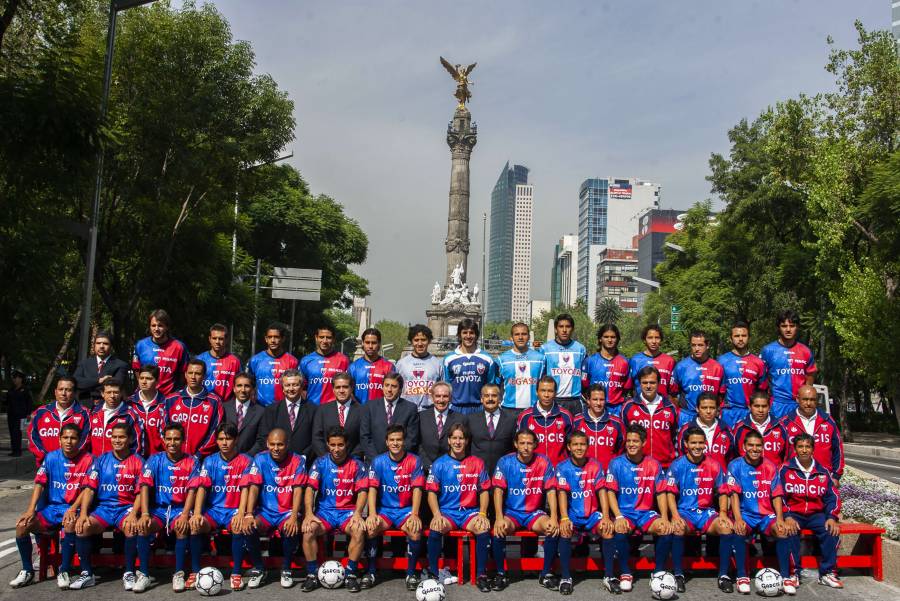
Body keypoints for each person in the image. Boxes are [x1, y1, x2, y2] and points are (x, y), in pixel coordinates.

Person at [9, 423, 92, 589]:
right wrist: (30, 510)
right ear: (59, 440)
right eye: (65, 438)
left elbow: (88, 489)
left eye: (73, 438)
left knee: (69, 523)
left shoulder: (89, 460)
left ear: (80, 440)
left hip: (73, 509)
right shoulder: (51, 458)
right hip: (52, 509)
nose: (69, 441)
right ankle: (27, 570)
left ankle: (65, 570)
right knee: (22, 526)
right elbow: (39, 483)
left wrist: (73, 508)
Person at [72, 423, 146, 591]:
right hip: (104, 508)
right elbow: (89, 489)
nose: (117, 440)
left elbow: (142, 492)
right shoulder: (101, 460)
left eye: (121, 437)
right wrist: (83, 513)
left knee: (131, 527)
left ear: (130, 439)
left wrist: (134, 513)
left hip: (125, 508)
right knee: (82, 527)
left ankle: (129, 572)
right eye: (114, 437)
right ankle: (87, 573)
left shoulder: (139, 461)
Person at [604, 424, 673, 594]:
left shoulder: (654, 464)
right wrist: (618, 516)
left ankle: (658, 572)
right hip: (625, 513)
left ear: (643, 443)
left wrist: (664, 516)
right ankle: (626, 572)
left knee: (665, 529)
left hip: (645, 513)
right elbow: (610, 492)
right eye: (628, 441)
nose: (631, 444)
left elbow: (660, 492)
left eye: (635, 441)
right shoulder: (616, 463)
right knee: (619, 530)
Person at [665, 427, 734, 594]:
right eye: (693, 443)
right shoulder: (677, 465)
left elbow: (724, 491)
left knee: (726, 527)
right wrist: (674, 516)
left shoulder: (713, 464)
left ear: (705, 444)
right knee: (678, 528)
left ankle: (724, 575)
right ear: (686, 444)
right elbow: (669, 493)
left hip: (706, 513)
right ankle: (679, 574)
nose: (697, 446)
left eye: (700, 443)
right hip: (685, 513)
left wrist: (723, 513)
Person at [189, 423, 257, 591]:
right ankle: (195, 571)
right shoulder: (209, 461)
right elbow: (202, 488)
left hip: (233, 510)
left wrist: (241, 513)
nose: (224, 443)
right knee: (195, 525)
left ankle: (236, 573)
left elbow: (246, 490)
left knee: (238, 526)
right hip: (214, 511)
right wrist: (197, 513)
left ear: (236, 439)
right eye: (220, 439)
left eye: (228, 438)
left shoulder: (246, 461)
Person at [424, 423, 492, 592]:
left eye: (461, 438)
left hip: (470, 513)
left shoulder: (477, 463)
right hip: (448, 513)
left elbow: (484, 491)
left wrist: (483, 513)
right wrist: (436, 515)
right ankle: (433, 574)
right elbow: (431, 492)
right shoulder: (439, 464)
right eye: (454, 438)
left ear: (467, 441)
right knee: (435, 528)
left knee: (483, 529)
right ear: (448, 440)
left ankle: (481, 574)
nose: (457, 441)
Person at [492, 429, 560, 592]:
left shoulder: (544, 461)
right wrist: (499, 518)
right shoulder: (505, 461)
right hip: (512, 513)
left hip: (533, 513)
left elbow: (551, 490)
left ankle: (545, 574)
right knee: (498, 530)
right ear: (516, 444)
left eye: (529, 443)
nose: (526, 447)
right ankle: (501, 573)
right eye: (522, 443)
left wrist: (554, 517)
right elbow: (498, 491)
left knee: (552, 529)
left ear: (535, 444)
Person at [301, 427, 368, 592]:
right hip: (325, 513)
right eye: (332, 445)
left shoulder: (357, 465)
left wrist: (358, 514)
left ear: (347, 445)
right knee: (308, 530)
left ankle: (351, 575)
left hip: (348, 513)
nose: (336, 449)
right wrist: (309, 514)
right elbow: (310, 489)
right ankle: (312, 574)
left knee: (359, 530)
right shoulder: (320, 463)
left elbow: (362, 492)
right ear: (327, 445)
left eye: (340, 445)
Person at [726, 430, 792, 595]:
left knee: (782, 531)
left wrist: (779, 519)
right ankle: (742, 576)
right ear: (743, 447)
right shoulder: (735, 465)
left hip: (765, 515)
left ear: (763, 447)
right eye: (751, 445)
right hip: (745, 514)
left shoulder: (770, 466)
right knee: (739, 531)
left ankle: (785, 576)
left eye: (758, 446)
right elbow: (734, 495)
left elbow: (776, 495)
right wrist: (738, 519)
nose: (754, 449)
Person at [137, 423, 200, 592]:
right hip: (158, 509)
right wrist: (144, 513)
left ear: (183, 440)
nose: (172, 442)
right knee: (143, 526)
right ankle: (143, 574)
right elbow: (144, 486)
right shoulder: (154, 459)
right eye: (169, 439)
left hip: (180, 509)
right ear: (164, 440)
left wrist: (185, 515)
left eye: (176, 439)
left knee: (181, 527)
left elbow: (193, 490)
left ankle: (178, 573)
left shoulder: (192, 461)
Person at [241, 428, 306, 589]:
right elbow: (254, 487)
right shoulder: (260, 459)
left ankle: (286, 569)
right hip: (266, 512)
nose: (276, 448)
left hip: (287, 512)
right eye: (272, 444)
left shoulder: (298, 460)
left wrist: (293, 516)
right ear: (267, 444)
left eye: (280, 444)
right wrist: (249, 514)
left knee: (291, 528)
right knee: (249, 526)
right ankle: (259, 568)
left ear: (287, 444)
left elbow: (298, 490)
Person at [780, 433, 844, 589]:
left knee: (831, 531)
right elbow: (778, 495)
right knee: (790, 531)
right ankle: (793, 573)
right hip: (793, 513)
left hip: (817, 514)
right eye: (800, 447)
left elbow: (832, 497)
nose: (804, 450)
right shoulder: (785, 469)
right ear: (794, 449)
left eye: (807, 446)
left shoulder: (822, 471)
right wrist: (786, 516)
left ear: (813, 449)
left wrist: (831, 517)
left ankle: (828, 573)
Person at [366, 425, 426, 590]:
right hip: (385, 510)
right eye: (392, 440)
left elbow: (417, 489)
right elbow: (372, 489)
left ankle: (411, 573)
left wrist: (414, 514)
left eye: (399, 439)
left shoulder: (414, 460)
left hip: (405, 511)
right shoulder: (378, 461)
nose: (395, 443)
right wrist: (371, 514)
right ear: (386, 442)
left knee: (415, 529)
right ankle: (371, 571)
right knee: (371, 528)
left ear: (404, 441)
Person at [555, 430, 611, 595]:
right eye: (575, 444)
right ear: (569, 447)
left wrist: (606, 516)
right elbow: (562, 494)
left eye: (582, 444)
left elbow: (602, 491)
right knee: (564, 530)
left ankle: (609, 576)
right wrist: (564, 517)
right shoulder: (562, 467)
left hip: (592, 515)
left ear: (587, 446)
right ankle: (566, 577)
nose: (579, 448)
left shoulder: (595, 464)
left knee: (607, 529)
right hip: (572, 515)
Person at [760, 310, 817, 420]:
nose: (788, 329)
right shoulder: (768, 350)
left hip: (798, 405)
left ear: (797, 327)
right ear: (778, 327)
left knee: (799, 437)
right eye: (784, 326)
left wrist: (804, 398)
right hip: (776, 405)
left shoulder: (805, 351)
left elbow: (810, 376)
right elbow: (761, 379)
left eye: (792, 326)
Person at [781, 385, 844, 481]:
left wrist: (835, 476)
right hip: (793, 480)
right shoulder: (786, 422)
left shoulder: (828, 421)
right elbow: (779, 454)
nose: (809, 403)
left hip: (823, 479)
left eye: (812, 400)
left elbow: (838, 450)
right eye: (805, 399)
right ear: (798, 399)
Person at [621, 366, 679, 468]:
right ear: (639, 383)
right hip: (636, 466)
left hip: (665, 466)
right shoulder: (628, 407)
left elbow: (674, 436)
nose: (648, 386)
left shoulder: (670, 407)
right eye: (644, 382)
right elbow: (623, 437)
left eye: (652, 383)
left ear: (659, 383)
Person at [164, 359, 224, 457]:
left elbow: (215, 432)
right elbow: (163, 429)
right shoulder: (171, 399)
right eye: (190, 373)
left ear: (204, 376)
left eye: (197, 373)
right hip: (173, 458)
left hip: (201, 459)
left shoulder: (214, 402)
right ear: (185, 375)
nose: (193, 377)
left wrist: (199, 455)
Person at [252, 369, 317, 457]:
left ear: (301, 387)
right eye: (287, 385)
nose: (291, 389)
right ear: (282, 388)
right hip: (277, 462)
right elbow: (264, 437)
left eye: (295, 385)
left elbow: (316, 438)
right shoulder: (271, 410)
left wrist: (303, 457)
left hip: (305, 462)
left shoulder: (314, 409)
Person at [28, 376, 90, 465]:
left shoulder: (84, 414)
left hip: (74, 466)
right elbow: (33, 438)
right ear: (55, 392)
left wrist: (70, 458)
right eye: (61, 389)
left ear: (74, 393)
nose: (63, 393)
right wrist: (47, 459)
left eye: (68, 390)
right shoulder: (41, 412)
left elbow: (86, 440)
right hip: (47, 465)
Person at [717, 321, 767, 428]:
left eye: (744, 335)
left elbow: (762, 391)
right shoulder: (721, 361)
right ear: (731, 338)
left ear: (749, 337)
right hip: (728, 412)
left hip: (750, 412)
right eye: (737, 336)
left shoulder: (758, 362)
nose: (740, 339)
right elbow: (718, 391)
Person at [442, 318, 498, 414]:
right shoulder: (449, 359)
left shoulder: (487, 359)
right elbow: (446, 386)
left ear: (476, 335)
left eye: (471, 333)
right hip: (455, 409)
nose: (468, 336)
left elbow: (491, 385)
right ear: (459, 335)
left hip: (480, 409)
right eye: (464, 333)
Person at [670, 330, 725, 428]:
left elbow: (721, 395)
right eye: (693, 345)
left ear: (707, 345)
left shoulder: (718, 367)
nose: (696, 349)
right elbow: (673, 394)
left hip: (710, 417)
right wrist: (680, 412)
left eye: (700, 345)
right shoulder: (681, 366)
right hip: (687, 416)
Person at [360, 372, 420, 461]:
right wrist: (377, 460)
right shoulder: (369, 406)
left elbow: (411, 439)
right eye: (387, 385)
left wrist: (396, 458)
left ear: (400, 389)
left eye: (394, 386)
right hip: (374, 460)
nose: (389, 389)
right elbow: (365, 436)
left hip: (401, 462)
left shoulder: (410, 408)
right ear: (382, 387)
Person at [516, 377, 574, 466]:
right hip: (534, 470)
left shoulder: (566, 416)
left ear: (555, 393)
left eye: (550, 391)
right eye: (543, 390)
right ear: (536, 392)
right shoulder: (525, 416)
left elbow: (571, 446)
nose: (546, 395)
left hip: (559, 470)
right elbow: (520, 448)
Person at [131, 309, 190, 396]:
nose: (156, 329)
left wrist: (177, 391)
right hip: (146, 396)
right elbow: (136, 369)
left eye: (160, 325)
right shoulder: (140, 345)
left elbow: (183, 373)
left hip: (169, 397)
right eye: (153, 325)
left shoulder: (179, 347)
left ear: (167, 327)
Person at [541, 313, 588, 416]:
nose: (564, 330)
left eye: (568, 326)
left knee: (577, 432)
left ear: (573, 329)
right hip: (554, 400)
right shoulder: (545, 349)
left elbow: (585, 376)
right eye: (561, 326)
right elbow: (540, 376)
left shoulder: (581, 349)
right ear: (555, 329)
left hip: (575, 401)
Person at [467, 383, 518, 474]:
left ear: (500, 399)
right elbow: (467, 447)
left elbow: (515, 448)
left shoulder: (511, 420)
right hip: (477, 472)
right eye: (487, 396)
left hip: (504, 472)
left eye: (494, 396)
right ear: (481, 399)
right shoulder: (471, 419)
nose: (490, 399)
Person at [583, 324, 632, 416]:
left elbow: (626, 389)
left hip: (617, 410)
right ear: (600, 339)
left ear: (617, 339)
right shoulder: (590, 361)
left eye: (613, 337)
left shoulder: (625, 362)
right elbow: (584, 387)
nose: (609, 340)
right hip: (594, 410)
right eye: (606, 337)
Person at [572, 383, 625, 470]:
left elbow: (621, 449)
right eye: (595, 399)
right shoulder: (577, 422)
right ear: (588, 401)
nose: (599, 403)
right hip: (584, 474)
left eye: (602, 399)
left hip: (608, 474)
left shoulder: (616, 423)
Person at [676, 392, 735, 469]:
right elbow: (681, 459)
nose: (708, 411)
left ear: (717, 409)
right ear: (697, 408)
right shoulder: (686, 430)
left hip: (720, 479)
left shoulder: (726, 430)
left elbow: (731, 459)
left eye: (712, 408)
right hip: (694, 478)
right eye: (704, 408)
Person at [247, 323, 300, 407]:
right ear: (266, 339)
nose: (273, 340)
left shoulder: (292, 361)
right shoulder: (255, 360)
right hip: (260, 408)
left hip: (283, 409)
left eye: (276, 337)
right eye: (270, 337)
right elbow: (248, 384)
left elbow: (298, 386)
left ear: (283, 339)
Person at [312, 372, 363, 458]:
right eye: (338, 387)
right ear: (333, 389)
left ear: (351, 388)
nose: (341, 390)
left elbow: (363, 439)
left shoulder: (362, 410)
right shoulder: (322, 410)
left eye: (345, 387)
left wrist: (352, 459)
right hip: (327, 462)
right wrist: (327, 458)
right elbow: (317, 437)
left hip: (352, 462)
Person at [88, 379, 143, 456]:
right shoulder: (93, 412)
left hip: (120, 464)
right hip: (95, 463)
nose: (112, 396)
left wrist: (129, 463)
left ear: (121, 393)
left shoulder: (130, 415)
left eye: (116, 392)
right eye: (109, 392)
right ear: (102, 394)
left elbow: (137, 444)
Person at [732, 391, 789, 466]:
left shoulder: (780, 426)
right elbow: (733, 455)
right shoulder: (740, 428)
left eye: (764, 406)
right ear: (749, 406)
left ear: (769, 406)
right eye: (756, 406)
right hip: (747, 475)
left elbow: (786, 455)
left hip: (773, 475)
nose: (760, 410)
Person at [395, 324, 444, 411]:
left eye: (423, 340)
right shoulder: (401, 364)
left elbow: (443, 389)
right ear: (411, 341)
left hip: (429, 411)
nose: (420, 343)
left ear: (429, 341)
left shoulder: (437, 364)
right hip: (406, 410)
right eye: (416, 340)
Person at [73, 330, 129, 406]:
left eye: (105, 343)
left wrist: (86, 384)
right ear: (94, 345)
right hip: (83, 405)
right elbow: (76, 382)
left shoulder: (120, 365)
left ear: (111, 346)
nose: (101, 346)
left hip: (106, 406)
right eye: (98, 343)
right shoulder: (84, 363)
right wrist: (99, 381)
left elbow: (115, 386)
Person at [418, 382, 466, 470]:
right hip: (425, 469)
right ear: (432, 397)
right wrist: (428, 466)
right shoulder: (421, 417)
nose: (441, 400)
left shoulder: (460, 418)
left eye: (445, 396)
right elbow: (418, 444)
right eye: (437, 396)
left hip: (451, 470)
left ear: (450, 398)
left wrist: (449, 466)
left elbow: (462, 445)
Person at [496, 322, 544, 410]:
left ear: (529, 337)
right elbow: (495, 385)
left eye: (524, 334)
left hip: (533, 409)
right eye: (517, 334)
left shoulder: (540, 359)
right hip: (508, 409)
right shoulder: (501, 359)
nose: (520, 337)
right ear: (511, 338)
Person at [299, 324, 350, 405]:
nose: (325, 341)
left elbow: (348, 386)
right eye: (321, 337)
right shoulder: (306, 360)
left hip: (333, 410)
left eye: (328, 338)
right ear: (316, 338)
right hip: (312, 409)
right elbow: (301, 387)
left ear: (333, 339)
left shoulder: (343, 360)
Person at [126, 364, 167, 456]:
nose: (144, 382)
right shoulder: (129, 403)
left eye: (149, 379)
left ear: (157, 381)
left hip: (158, 456)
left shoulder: (166, 403)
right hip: (133, 456)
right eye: (141, 378)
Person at [348, 328, 396, 404]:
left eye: (374, 343)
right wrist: (358, 407)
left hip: (381, 412)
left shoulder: (389, 366)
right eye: (367, 342)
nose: (370, 346)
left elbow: (393, 391)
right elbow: (348, 391)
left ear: (379, 344)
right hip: (359, 412)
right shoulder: (353, 367)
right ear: (362, 343)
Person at [628, 325, 676, 399]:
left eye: (657, 338)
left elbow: (673, 391)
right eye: (650, 338)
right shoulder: (635, 360)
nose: (654, 341)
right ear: (644, 340)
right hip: (640, 406)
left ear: (661, 340)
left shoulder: (669, 361)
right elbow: (630, 387)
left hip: (662, 406)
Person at [197, 324, 242, 402]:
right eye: (214, 338)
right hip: (202, 405)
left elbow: (240, 384)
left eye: (221, 339)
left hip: (226, 406)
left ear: (226, 340)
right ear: (210, 339)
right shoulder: (200, 359)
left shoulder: (234, 361)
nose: (217, 342)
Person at [222, 373, 265, 454]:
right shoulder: (224, 408)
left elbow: (261, 440)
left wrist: (246, 457)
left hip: (248, 460)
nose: (243, 390)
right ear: (234, 388)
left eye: (247, 386)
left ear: (252, 389)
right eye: (239, 386)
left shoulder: (261, 412)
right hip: (225, 458)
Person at [6, 370, 31, 456]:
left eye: (16, 378)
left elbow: (29, 402)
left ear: (20, 379)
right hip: (11, 414)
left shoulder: (25, 390)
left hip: (21, 415)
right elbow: (7, 401)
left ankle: (18, 451)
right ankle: (14, 450)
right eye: (14, 378)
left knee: (17, 432)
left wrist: (28, 413)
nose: (14, 380)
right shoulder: (11, 389)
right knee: (12, 432)